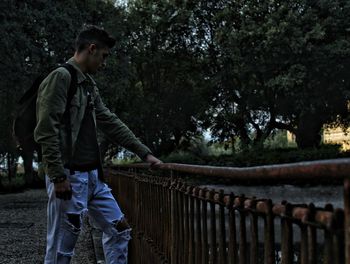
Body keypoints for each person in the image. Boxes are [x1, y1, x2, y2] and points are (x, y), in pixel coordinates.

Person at [34, 25, 162, 264]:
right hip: (69, 177)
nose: (104, 63)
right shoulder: (61, 77)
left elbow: (110, 121)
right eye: (104, 56)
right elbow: (45, 130)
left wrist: (144, 154)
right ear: (92, 49)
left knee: (120, 230)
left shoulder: (89, 85)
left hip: (94, 177)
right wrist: (57, 176)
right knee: (61, 250)